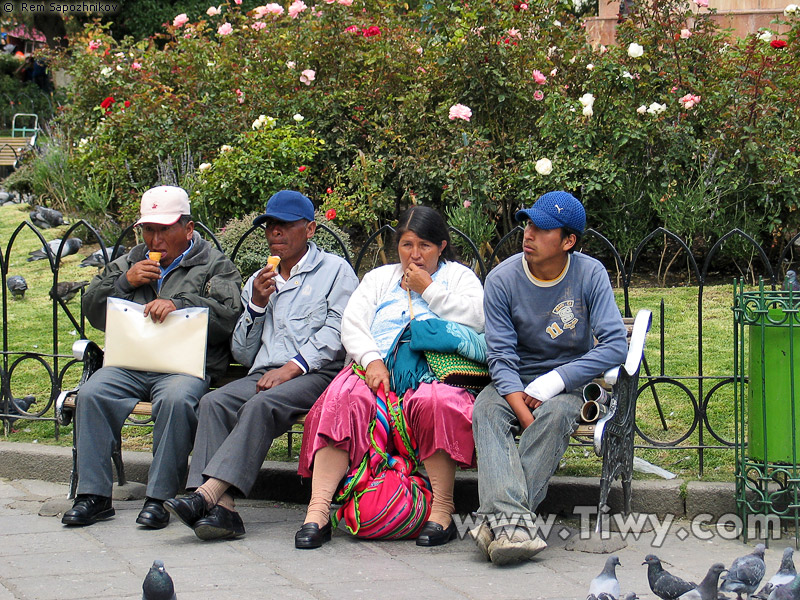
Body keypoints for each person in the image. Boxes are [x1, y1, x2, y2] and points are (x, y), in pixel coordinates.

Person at [164, 190, 359, 540]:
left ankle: (203, 497)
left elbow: (338, 331)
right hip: (265, 372)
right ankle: (223, 511)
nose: (275, 233)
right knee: (213, 402)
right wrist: (255, 305)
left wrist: (293, 367)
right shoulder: (261, 279)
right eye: (270, 226)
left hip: (317, 373)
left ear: (310, 229)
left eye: (285, 225)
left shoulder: (334, 271)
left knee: (261, 404)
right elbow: (242, 352)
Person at [295, 205, 485, 549]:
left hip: (434, 371)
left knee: (436, 401)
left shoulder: (458, 277)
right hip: (375, 369)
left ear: (441, 245)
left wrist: (429, 289)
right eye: (407, 245)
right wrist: (371, 360)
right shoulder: (380, 278)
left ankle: (442, 510)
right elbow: (352, 323)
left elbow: (478, 318)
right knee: (344, 399)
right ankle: (318, 510)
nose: (415, 255)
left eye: (425, 245)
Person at [62, 186, 243, 529]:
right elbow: (93, 311)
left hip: (183, 367)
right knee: (92, 394)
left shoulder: (214, 265)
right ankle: (94, 496)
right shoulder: (129, 261)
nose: (154, 239)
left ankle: (159, 498)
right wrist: (123, 284)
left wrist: (182, 304)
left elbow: (231, 317)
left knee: (176, 400)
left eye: (164, 229)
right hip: (131, 363)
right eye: (148, 229)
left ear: (188, 229)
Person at [471, 191, 628, 565]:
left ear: (568, 240)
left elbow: (615, 346)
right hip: (513, 382)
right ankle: (513, 526)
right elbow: (501, 356)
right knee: (486, 411)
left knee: (556, 415)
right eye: (528, 224)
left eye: (542, 229)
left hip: (564, 386)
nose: (528, 234)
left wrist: (553, 382)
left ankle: (498, 524)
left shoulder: (589, 274)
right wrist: (522, 409)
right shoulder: (501, 279)